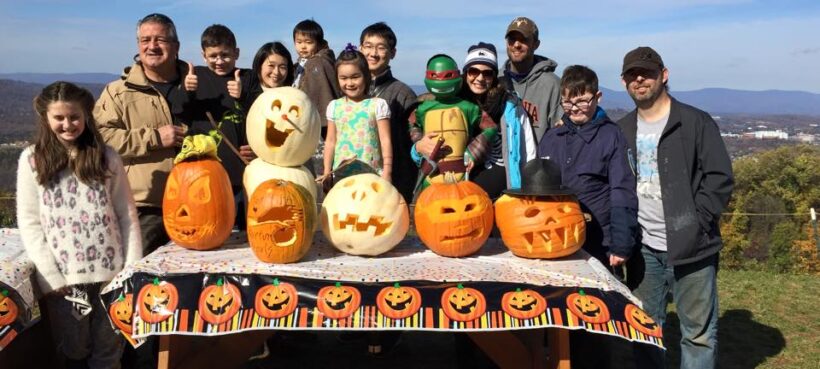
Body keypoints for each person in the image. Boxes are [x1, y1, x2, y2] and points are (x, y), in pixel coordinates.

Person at [616, 46, 734, 369]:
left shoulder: (695, 123)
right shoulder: (623, 129)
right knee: (644, 329)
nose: (639, 79)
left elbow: (720, 178)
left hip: (693, 249)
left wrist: (697, 223)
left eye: (647, 73)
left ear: (664, 75)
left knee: (697, 336)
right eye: (631, 75)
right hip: (643, 249)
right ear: (624, 81)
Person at [17, 81, 142, 369]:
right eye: (59, 118)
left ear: (86, 116)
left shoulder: (106, 158)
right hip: (65, 280)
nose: (68, 124)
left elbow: (126, 214)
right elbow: (30, 221)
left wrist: (129, 268)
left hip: (111, 276)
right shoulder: (32, 161)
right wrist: (50, 274)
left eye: (74, 117)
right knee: (74, 349)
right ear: (46, 120)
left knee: (109, 347)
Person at [94, 13, 188, 254]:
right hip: (145, 208)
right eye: (146, 40)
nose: (152, 46)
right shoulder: (117, 92)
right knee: (135, 280)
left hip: (199, 202)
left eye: (160, 40)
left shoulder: (199, 87)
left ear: (176, 46)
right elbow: (100, 137)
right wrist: (154, 138)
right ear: (138, 46)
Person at [183, 24, 256, 227]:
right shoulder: (195, 77)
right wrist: (186, 91)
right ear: (203, 55)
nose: (219, 61)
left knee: (244, 229)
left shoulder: (248, 78)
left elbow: (260, 112)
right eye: (213, 56)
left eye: (225, 55)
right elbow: (181, 112)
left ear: (236, 53)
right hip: (205, 172)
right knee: (209, 226)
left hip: (242, 172)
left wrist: (242, 96)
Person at [459, 42, 537, 199]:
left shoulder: (509, 104)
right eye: (473, 71)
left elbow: (528, 147)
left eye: (487, 73)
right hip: (459, 174)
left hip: (499, 176)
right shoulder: (455, 102)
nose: (480, 78)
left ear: (494, 76)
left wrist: (530, 183)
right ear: (466, 73)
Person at [359, 22, 418, 203]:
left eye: (381, 48)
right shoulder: (349, 90)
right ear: (360, 48)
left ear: (393, 53)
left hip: (392, 181)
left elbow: (412, 139)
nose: (373, 53)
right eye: (368, 47)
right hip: (356, 180)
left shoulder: (403, 93)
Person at [322, 46, 392, 184]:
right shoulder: (334, 106)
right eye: (343, 78)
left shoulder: (377, 105)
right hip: (341, 177)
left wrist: (387, 171)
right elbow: (330, 141)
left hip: (372, 176)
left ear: (365, 76)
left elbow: (385, 141)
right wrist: (326, 172)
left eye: (355, 77)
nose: (349, 83)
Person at [499, 16, 562, 141]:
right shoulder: (497, 81)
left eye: (523, 40)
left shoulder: (552, 84)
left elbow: (559, 134)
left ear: (536, 44)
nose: (516, 45)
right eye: (512, 39)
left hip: (539, 159)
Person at [292, 19, 341, 135]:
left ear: (318, 43)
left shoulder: (318, 63)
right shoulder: (300, 63)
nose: (303, 46)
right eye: (299, 42)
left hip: (317, 126)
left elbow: (322, 93)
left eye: (308, 42)